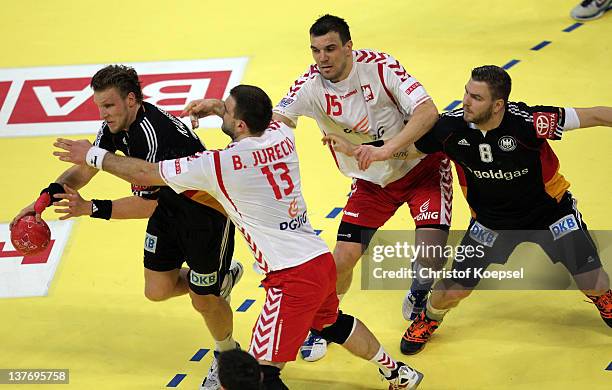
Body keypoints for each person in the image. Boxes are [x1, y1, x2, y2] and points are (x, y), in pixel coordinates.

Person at [53, 85, 425, 389]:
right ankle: (398, 373)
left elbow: (147, 173)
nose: (223, 113)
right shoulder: (280, 135)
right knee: (333, 323)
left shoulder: (220, 165)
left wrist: (95, 156)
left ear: (241, 125)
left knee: (258, 376)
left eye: (228, 111)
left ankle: (395, 373)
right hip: (317, 259)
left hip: (290, 278)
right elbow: (267, 116)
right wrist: (216, 108)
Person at [329, 65, 612, 356]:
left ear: (498, 104)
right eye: (466, 92)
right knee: (450, 292)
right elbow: (409, 150)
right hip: (491, 222)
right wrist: (369, 150)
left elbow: (597, 115)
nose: (466, 100)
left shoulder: (530, 123)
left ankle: (603, 298)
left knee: (595, 283)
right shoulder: (449, 129)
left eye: (476, 97)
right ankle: (427, 318)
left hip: (550, 214)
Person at [11, 65, 243, 390]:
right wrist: (42, 201)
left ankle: (227, 356)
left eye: (109, 106)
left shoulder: (157, 138)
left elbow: (148, 204)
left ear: (131, 100)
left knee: (204, 300)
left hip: (205, 216)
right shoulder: (116, 125)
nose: (104, 114)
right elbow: (86, 170)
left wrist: (91, 208)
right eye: (99, 107)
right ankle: (221, 278)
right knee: (157, 290)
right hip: (169, 208)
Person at [272, 14, 453, 361]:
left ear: (348, 47)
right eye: (315, 50)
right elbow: (278, 121)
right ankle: (325, 321)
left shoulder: (380, 67)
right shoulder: (309, 86)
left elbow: (428, 112)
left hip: (421, 169)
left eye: (330, 48)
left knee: (429, 256)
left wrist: (385, 150)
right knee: (341, 260)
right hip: (372, 182)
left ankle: (419, 290)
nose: (322, 58)